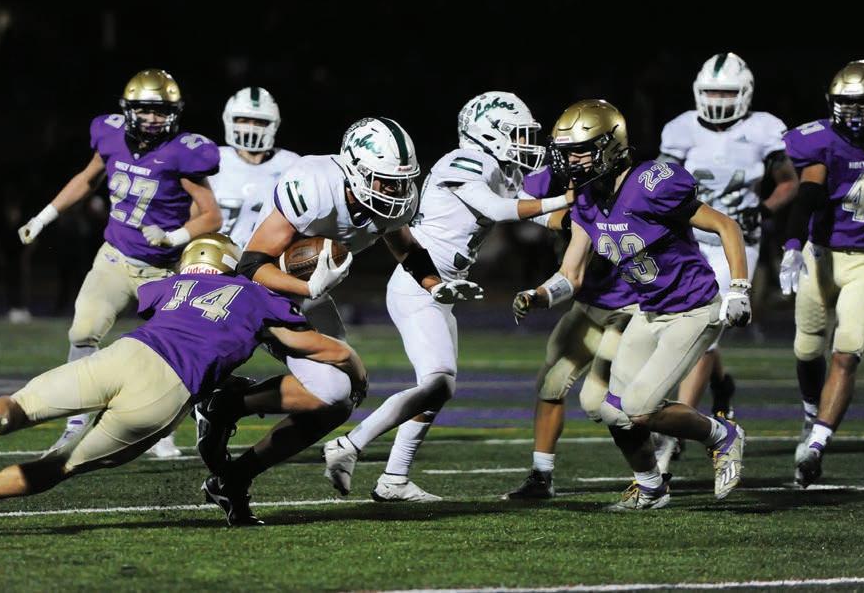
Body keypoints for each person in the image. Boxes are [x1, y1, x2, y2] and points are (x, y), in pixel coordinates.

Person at [0, 234, 365, 532]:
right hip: (165, 388)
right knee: (60, 464)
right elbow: (332, 352)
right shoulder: (256, 295)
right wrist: (356, 375)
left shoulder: (171, 286)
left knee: (22, 404)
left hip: (125, 353)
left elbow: (149, 297)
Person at [195, 117, 482, 518]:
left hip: (306, 293)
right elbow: (251, 264)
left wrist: (436, 285)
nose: (398, 192)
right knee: (332, 391)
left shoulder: (384, 197)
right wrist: (310, 289)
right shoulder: (314, 186)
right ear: (357, 171)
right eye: (387, 182)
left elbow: (407, 248)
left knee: (338, 403)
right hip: (258, 292)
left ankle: (234, 474)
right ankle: (225, 404)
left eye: (402, 182)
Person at [322, 92, 571, 502]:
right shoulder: (464, 161)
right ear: (487, 133)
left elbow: (537, 213)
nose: (527, 143)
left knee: (438, 388)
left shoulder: (503, 169)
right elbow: (500, 210)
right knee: (439, 383)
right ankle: (349, 446)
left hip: (445, 289)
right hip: (417, 284)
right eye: (518, 134)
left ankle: (394, 479)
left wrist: (582, 215)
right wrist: (566, 199)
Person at [518, 100, 749, 509]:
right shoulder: (588, 200)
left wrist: (740, 288)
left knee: (641, 409)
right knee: (611, 411)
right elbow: (571, 273)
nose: (571, 160)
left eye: (580, 150)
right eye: (566, 151)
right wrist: (539, 296)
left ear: (610, 146)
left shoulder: (652, 183)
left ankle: (721, 434)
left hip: (692, 308)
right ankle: (651, 487)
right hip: (648, 309)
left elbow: (725, 225)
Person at [17, 69, 222, 458]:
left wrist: (174, 236)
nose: (152, 119)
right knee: (83, 332)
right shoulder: (109, 135)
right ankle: (75, 423)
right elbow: (86, 179)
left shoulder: (184, 152)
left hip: (163, 270)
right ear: (127, 110)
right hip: (114, 257)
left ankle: (162, 431)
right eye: (145, 110)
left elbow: (211, 216)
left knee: (172, 354)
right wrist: (43, 217)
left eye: (161, 111)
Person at [656, 52, 798, 470]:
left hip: (737, 242)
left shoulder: (764, 129)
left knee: (706, 331)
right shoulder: (680, 129)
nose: (718, 99)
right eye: (713, 91)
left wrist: (766, 210)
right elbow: (660, 186)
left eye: (727, 92)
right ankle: (722, 386)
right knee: (681, 328)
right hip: (688, 241)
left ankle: (673, 429)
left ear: (745, 95)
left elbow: (789, 182)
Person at [779, 60, 864, 488]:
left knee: (846, 352)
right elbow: (810, 191)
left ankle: (817, 442)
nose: (855, 113)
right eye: (847, 104)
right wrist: (793, 244)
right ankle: (811, 411)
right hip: (822, 255)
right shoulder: (819, 140)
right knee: (807, 349)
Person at [504, 154, 637, 499]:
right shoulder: (556, 178)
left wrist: (562, 217)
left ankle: (654, 470)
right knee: (551, 382)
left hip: (632, 305)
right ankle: (541, 475)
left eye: (583, 152)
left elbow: (574, 263)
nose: (575, 162)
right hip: (590, 301)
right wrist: (555, 214)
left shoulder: (629, 187)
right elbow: (514, 199)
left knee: (602, 401)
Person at [208, 86, 300, 248]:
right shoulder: (213, 159)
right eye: (243, 120)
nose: (251, 127)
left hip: (264, 259)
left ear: (273, 125)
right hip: (211, 257)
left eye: (259, 122)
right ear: (230, 120)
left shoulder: (292, 165)